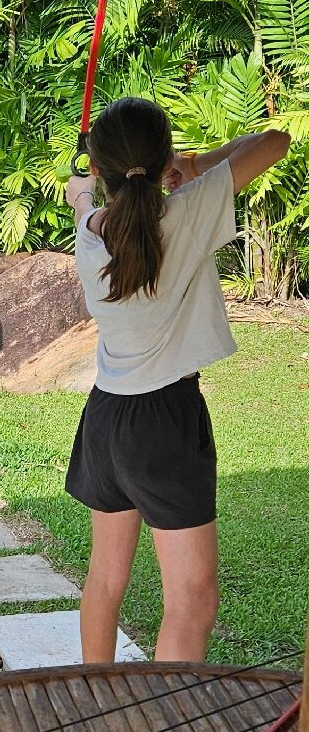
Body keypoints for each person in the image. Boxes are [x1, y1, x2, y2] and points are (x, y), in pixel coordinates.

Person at [64, 97, 290, 663]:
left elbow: (89, 199)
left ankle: (95, 714)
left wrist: (86, 191)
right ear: (163, 156)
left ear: (97, 168)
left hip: (106, 417)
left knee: (104, 582)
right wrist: (194, 164)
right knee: (191, 601)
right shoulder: (187, 210)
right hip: (163, 422)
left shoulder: (89, 229)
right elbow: (274, 141)